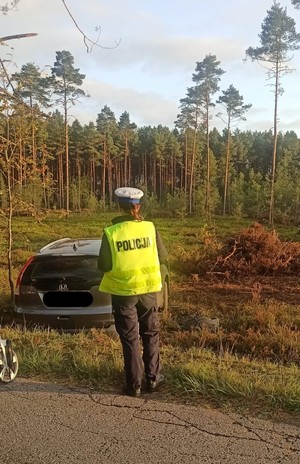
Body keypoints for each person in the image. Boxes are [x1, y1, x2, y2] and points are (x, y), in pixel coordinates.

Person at [98, 187, 168, 397]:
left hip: (123, 292)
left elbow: (104, 265)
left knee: (130, 338)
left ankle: (133, 385)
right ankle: (153, 379)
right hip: (148, 291)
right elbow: (163, 256)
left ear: (118, 206)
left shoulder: (111, 232)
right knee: (150, 333)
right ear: (138, 206)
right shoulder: (149, 228)